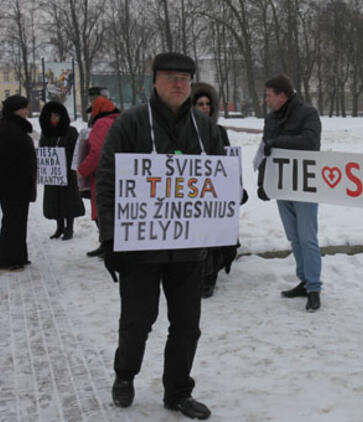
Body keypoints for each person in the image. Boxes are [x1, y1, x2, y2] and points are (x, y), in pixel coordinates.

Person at [96, 52, 224, 420]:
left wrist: (223, 230)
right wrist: (110, 239)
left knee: (187, 325)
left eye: (185, 78)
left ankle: (178, 390)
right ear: (153, 80)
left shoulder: (205, 127)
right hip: (141, 248)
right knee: (138, 320)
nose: (179, 84)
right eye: (170, 77)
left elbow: (218, 183)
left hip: (189, 249)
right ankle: (125, 374)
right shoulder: (130, 123)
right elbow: (106, 182)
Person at [257, 74, 322, 312]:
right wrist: (263, 182)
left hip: (305, 185)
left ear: (282, 96)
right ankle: (304, 280)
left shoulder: (308, 113)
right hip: (282, 185)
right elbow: (265, 150)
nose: (266, 100)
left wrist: (279, 142)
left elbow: (310, 141)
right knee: (294, 237)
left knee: (307, 237)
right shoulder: (271, 118)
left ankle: (315, 288)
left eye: (269, 95)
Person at [191, 82, 246, 298]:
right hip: (193, 190)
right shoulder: (184, 130)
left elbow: (229, 162)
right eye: (200, 104)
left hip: (215, 190)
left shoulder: (219, 131)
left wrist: (236, 187)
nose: (204, 107)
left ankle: (209, 276)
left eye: (208, 104)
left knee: (213, 235)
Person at [77, 97, 120, 257]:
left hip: (104, 175)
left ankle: (108, 245)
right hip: (120, 174)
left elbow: (97, 153)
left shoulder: (101, 124)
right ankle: (108, 244)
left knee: (102, 211)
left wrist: (82, 169)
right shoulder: (120, 121)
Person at [38, 101, 85, 240]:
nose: (54, 119)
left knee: (68, 200)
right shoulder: (46, 133)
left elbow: (77, 151)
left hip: (68, 172)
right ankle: (59, 227)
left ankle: (69, 228)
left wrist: (72, 164)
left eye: (56, 116)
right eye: (51, 116)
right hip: (53, 174)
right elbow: (42, 150)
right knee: (55, 200)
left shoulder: (70, 131)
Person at [0, 95, 36, 271]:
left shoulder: (14, 127)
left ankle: (18, 255)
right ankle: (9, 258)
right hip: (12, 185)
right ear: (16, 110)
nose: (26, 112)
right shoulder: (8, 129)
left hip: (18, 184)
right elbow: (7, 159)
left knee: (18, 221)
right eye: (24, 108)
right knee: (13, 221)